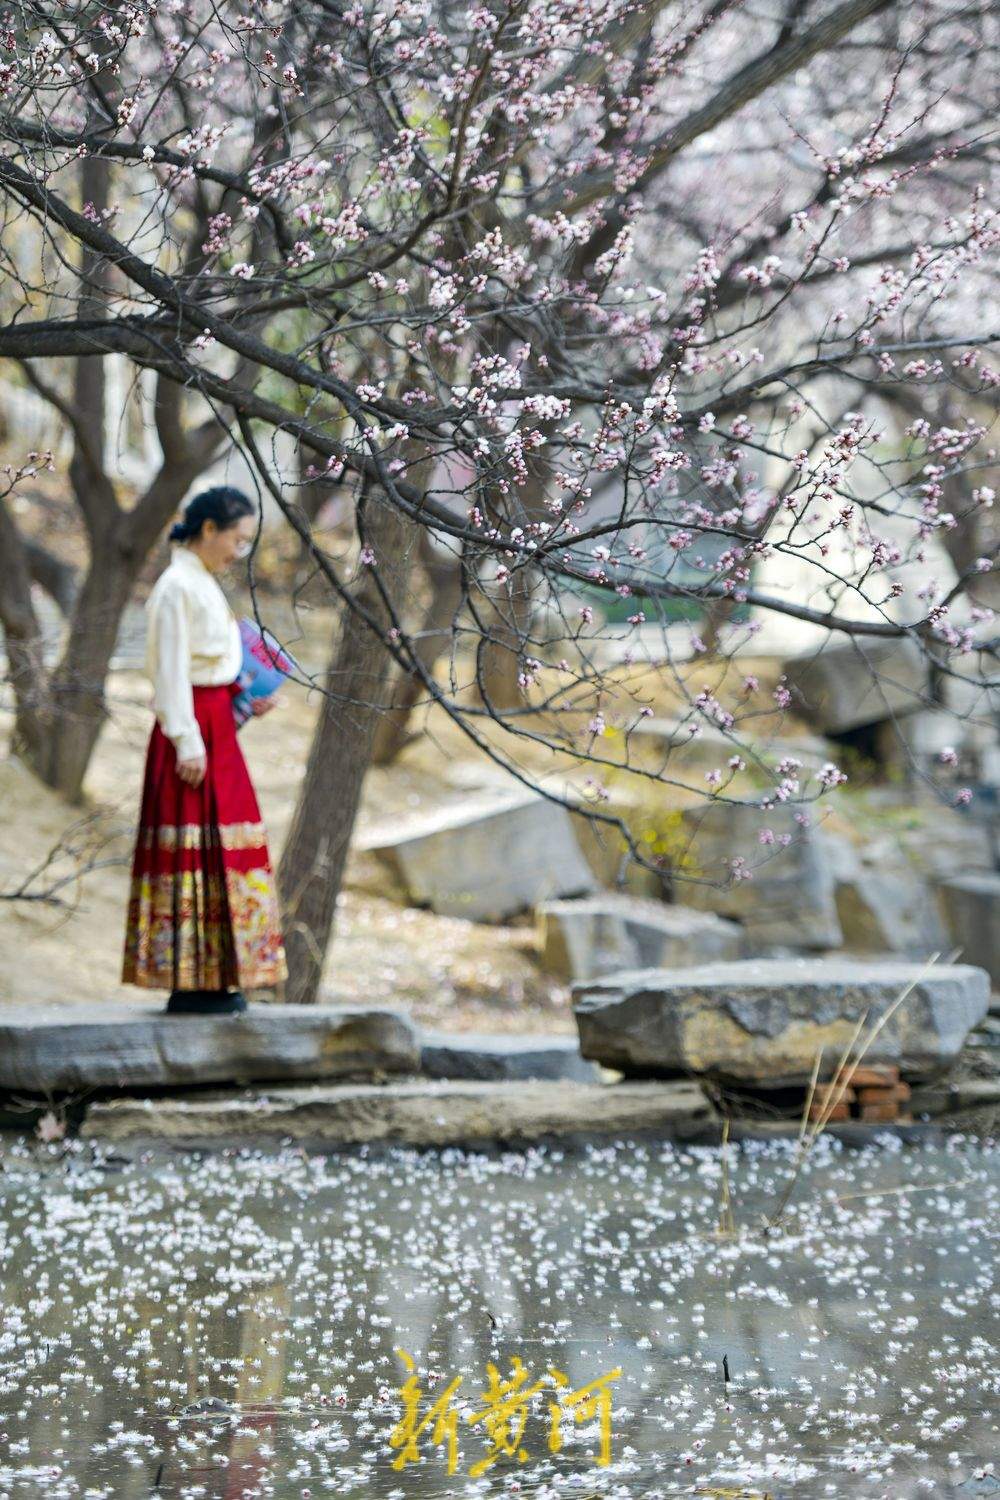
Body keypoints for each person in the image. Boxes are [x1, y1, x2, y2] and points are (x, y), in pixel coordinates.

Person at [120, 485, 288, 1014]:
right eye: (235, 539)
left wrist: (246, 697)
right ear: (209, 529)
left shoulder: (203, 584)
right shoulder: (175, 587)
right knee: (194, 847)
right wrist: (187, 743)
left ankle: (217, 975)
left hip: (214, 723)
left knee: (226, 846)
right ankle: (189, 980)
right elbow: (169, 673)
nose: (239, 550)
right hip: (190, 733)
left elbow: (210, 665)